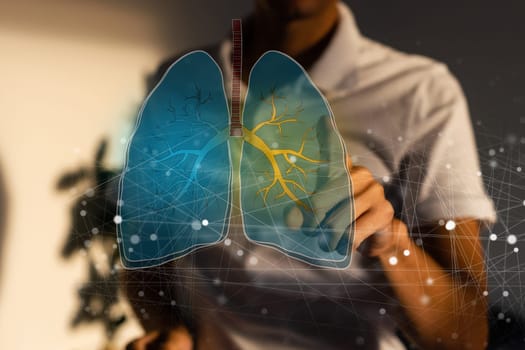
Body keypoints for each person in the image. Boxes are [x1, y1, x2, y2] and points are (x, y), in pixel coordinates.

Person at [124, 1, 496, 349]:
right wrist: (168, 328)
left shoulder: (422, 94)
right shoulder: (180, 81)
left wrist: (391, 244)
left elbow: (466, 334)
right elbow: (147, 260)